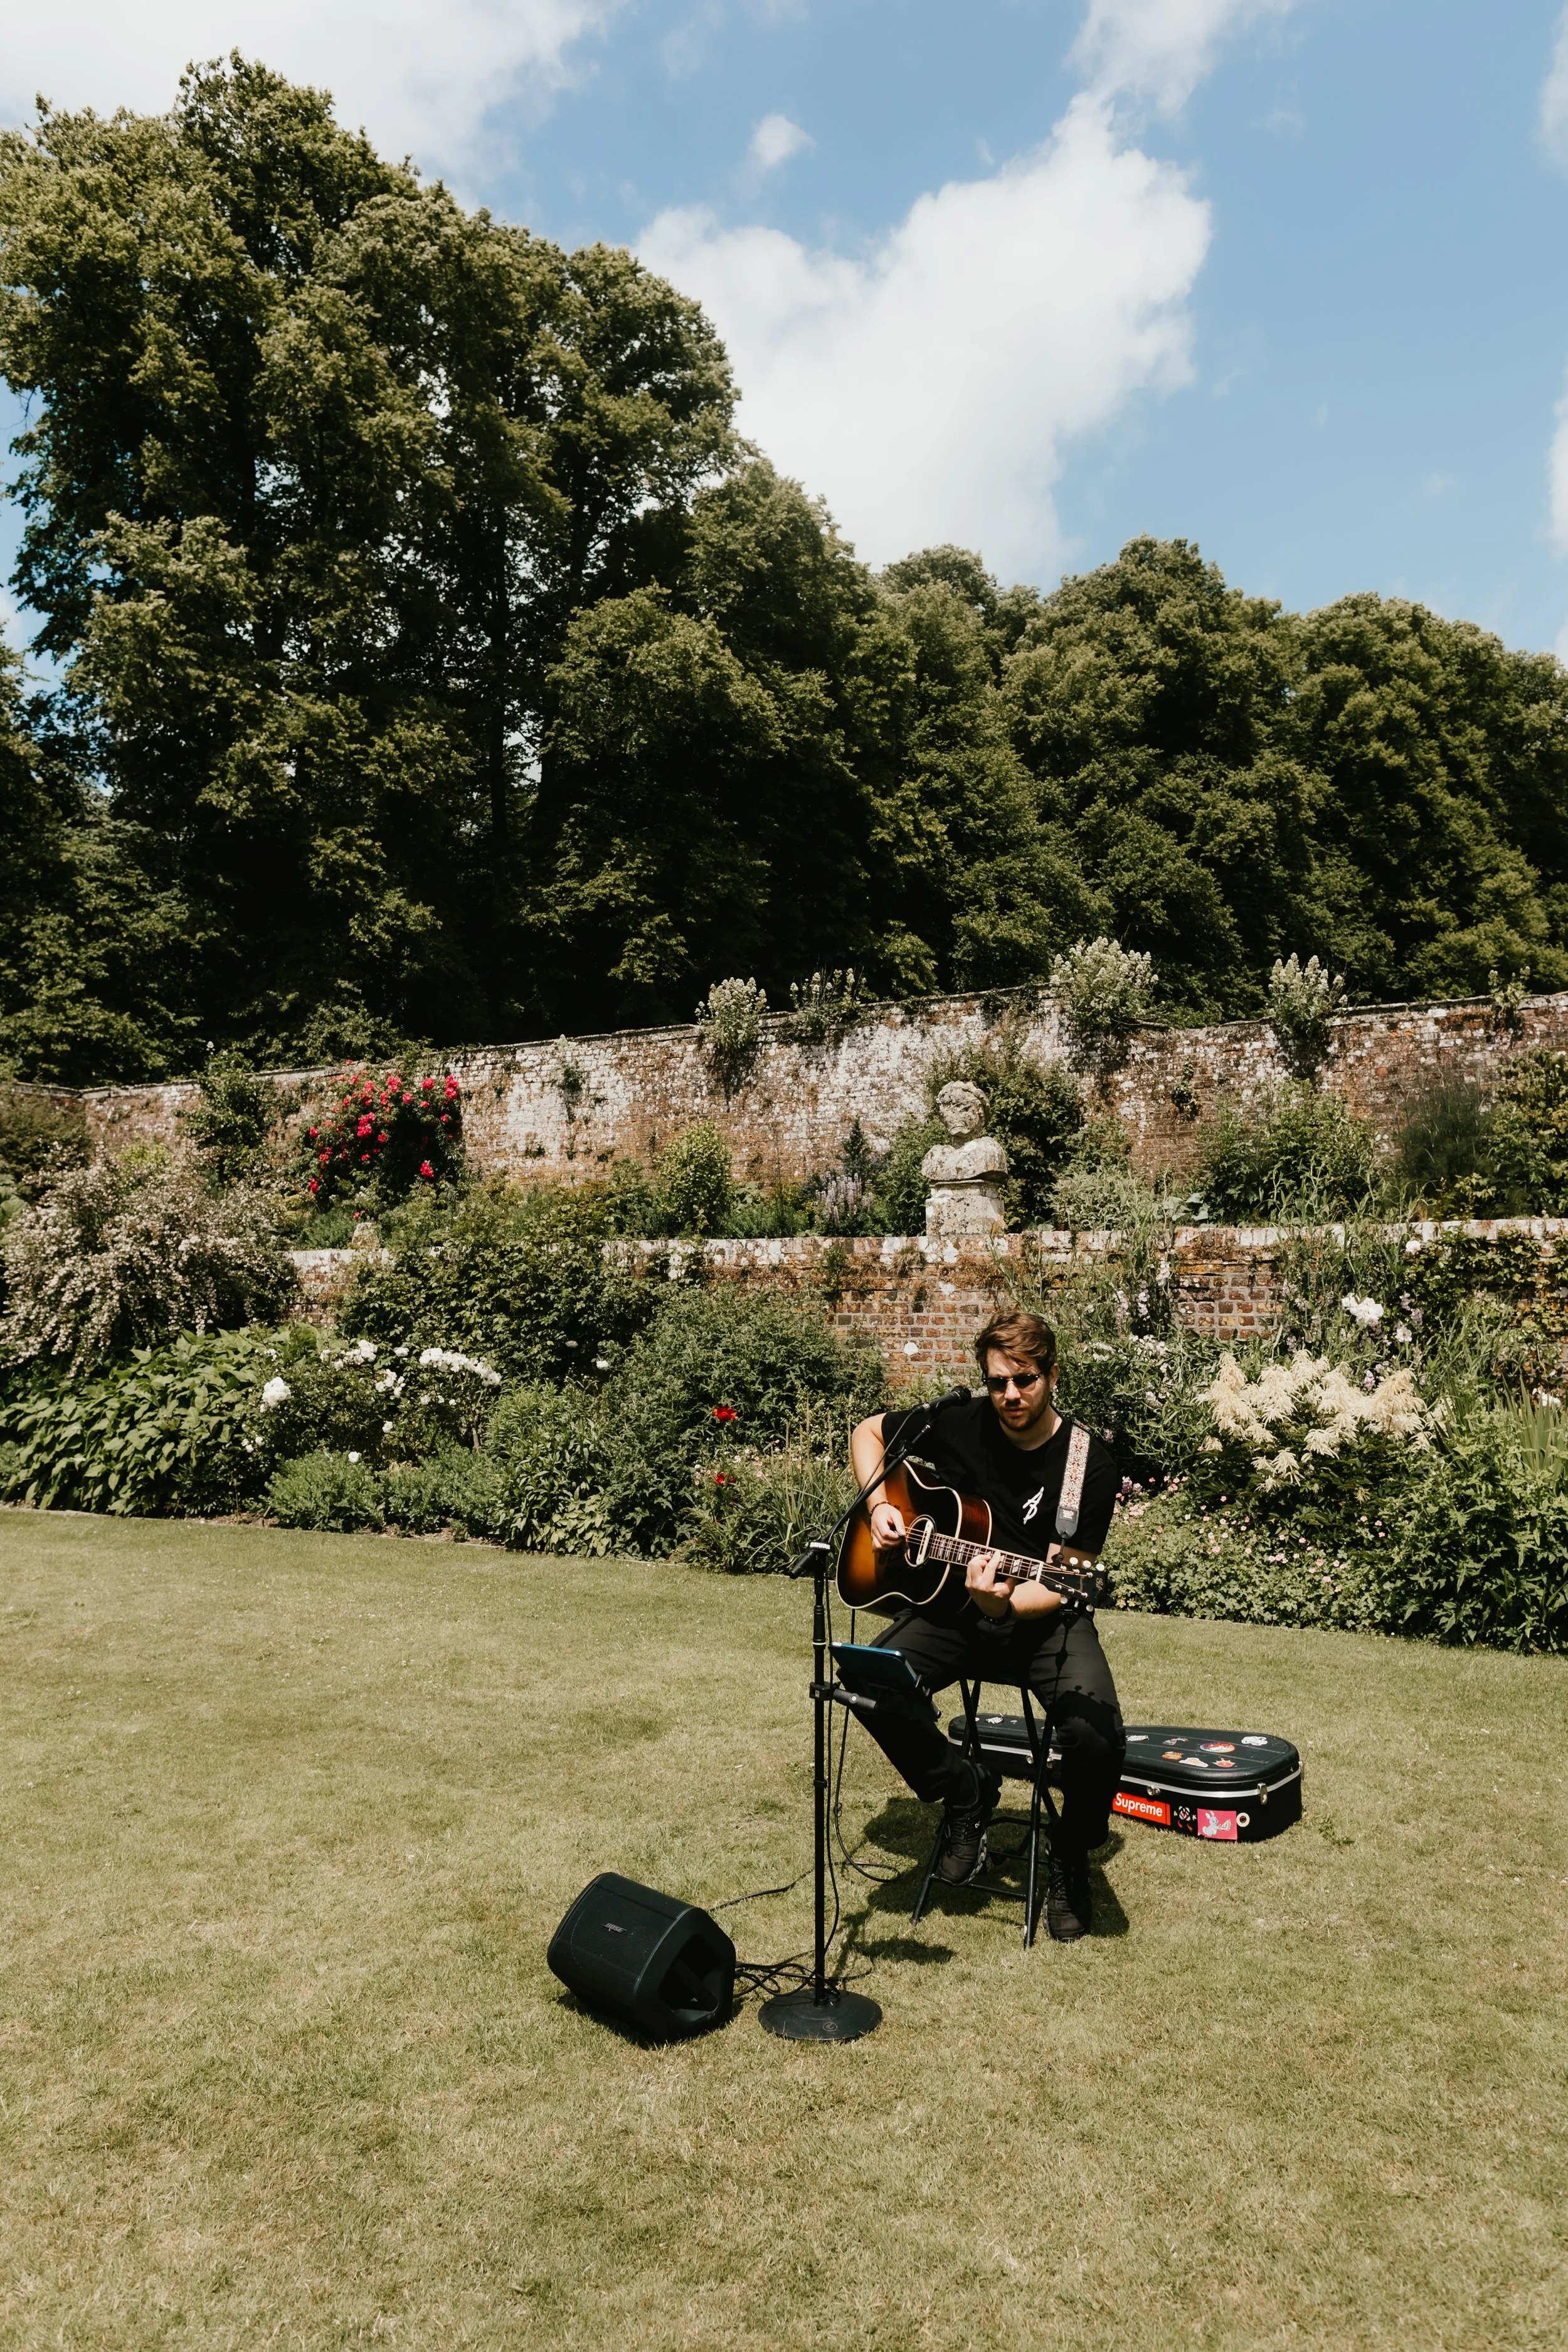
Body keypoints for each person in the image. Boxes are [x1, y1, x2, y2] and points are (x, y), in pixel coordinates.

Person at [847, 1308, 1124, 1941]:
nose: (1010, 1396)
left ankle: (1070, 1853)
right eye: (997, 1382)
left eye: (1024, 1381)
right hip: (954, 1609)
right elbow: (867, 1433)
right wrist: (883, 1504)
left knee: (1096, 1736)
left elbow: (1062, 1585)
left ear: (1052, 1375)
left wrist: (1003, 1603)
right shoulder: (959, 1419)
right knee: (868, 1682)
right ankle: (968, 1792)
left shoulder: (1090, 1465)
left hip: (1041, 1616)